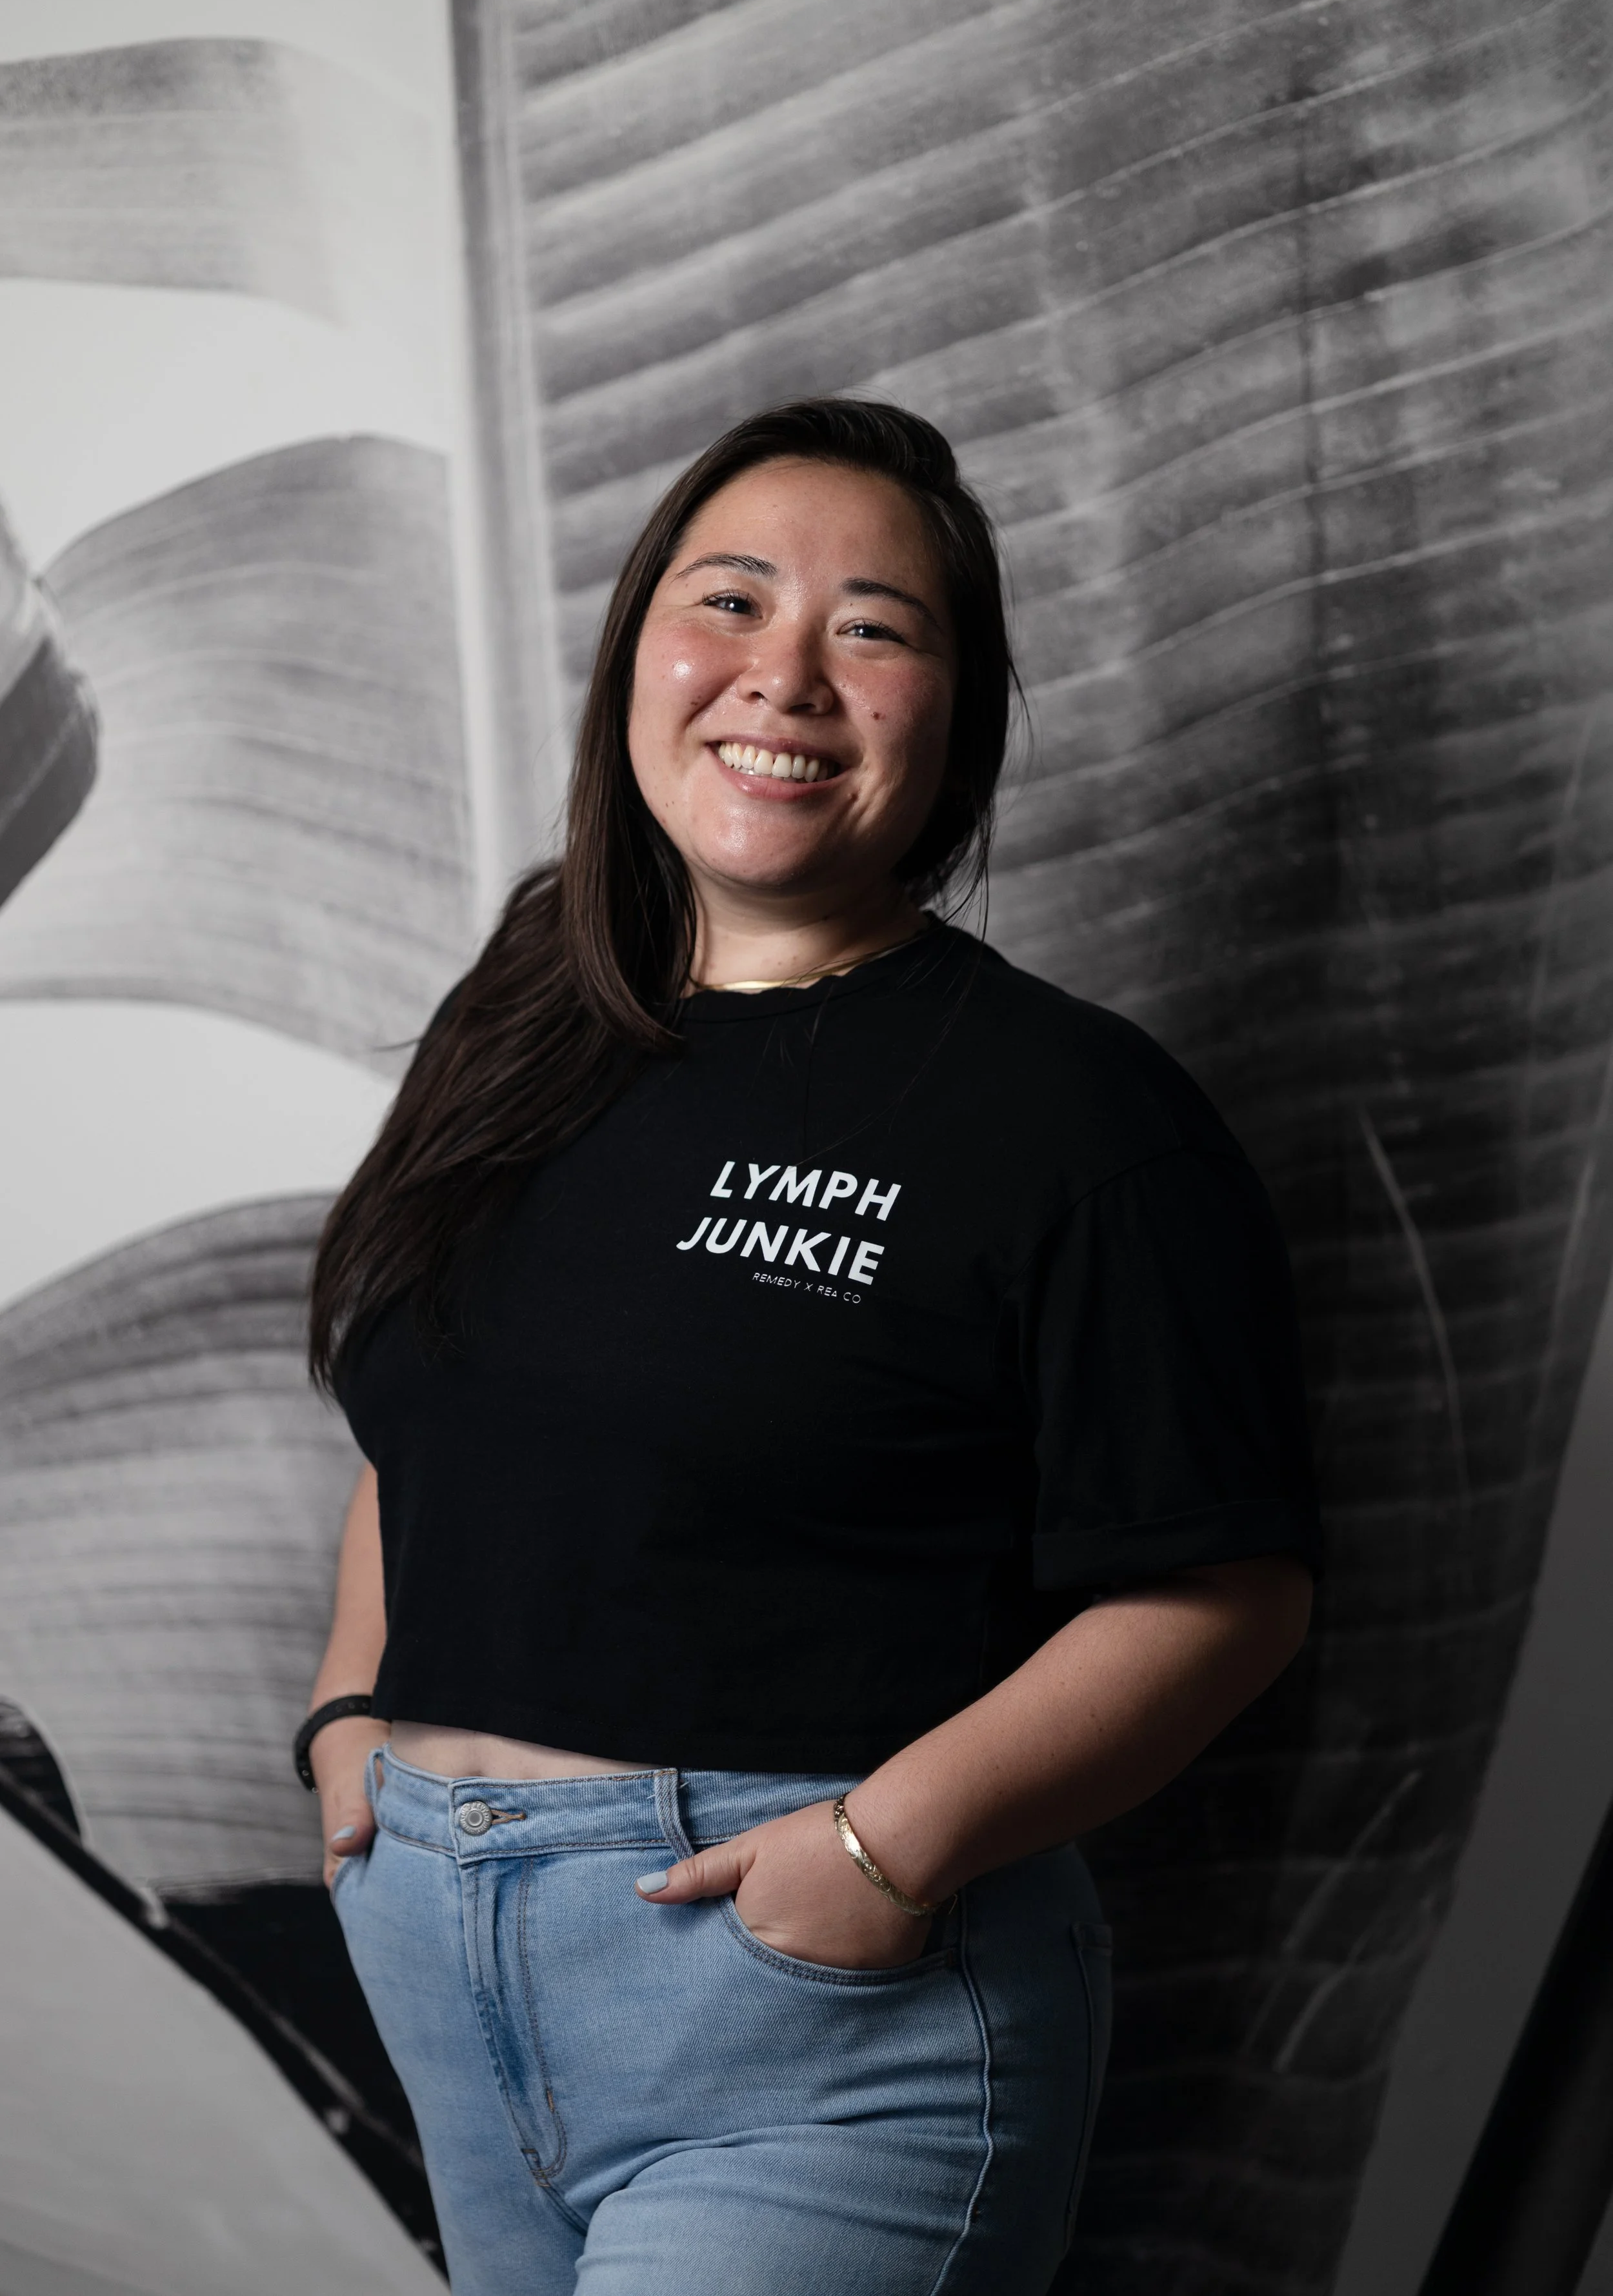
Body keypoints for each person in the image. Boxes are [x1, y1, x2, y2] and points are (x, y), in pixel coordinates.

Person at [300, 398, 1319, 2296]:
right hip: (448, 1973)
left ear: (954, 711)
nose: (783, 675)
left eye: (874, 625)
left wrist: (873, 1852)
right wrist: (352, 1723)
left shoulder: (1070, 1114)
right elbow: (430, 1427)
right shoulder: (530, 1016)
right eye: (731, 599)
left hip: (812, 2024)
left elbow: (1222, 1591)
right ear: (638, 653)